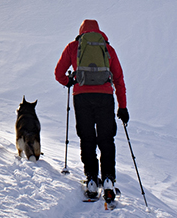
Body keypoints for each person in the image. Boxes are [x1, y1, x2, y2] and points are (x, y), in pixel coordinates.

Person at [55, 19, 129, 201]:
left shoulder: (73, 47)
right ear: (98, 31)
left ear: (81, 32)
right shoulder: (108, 49)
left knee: (87, 138)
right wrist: (123, 106)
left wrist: (69, 81)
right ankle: (108, 180)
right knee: (106, 139)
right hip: (105, 97)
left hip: (81, 97)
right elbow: (119, 79)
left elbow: (58, 73)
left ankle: (91, 180)